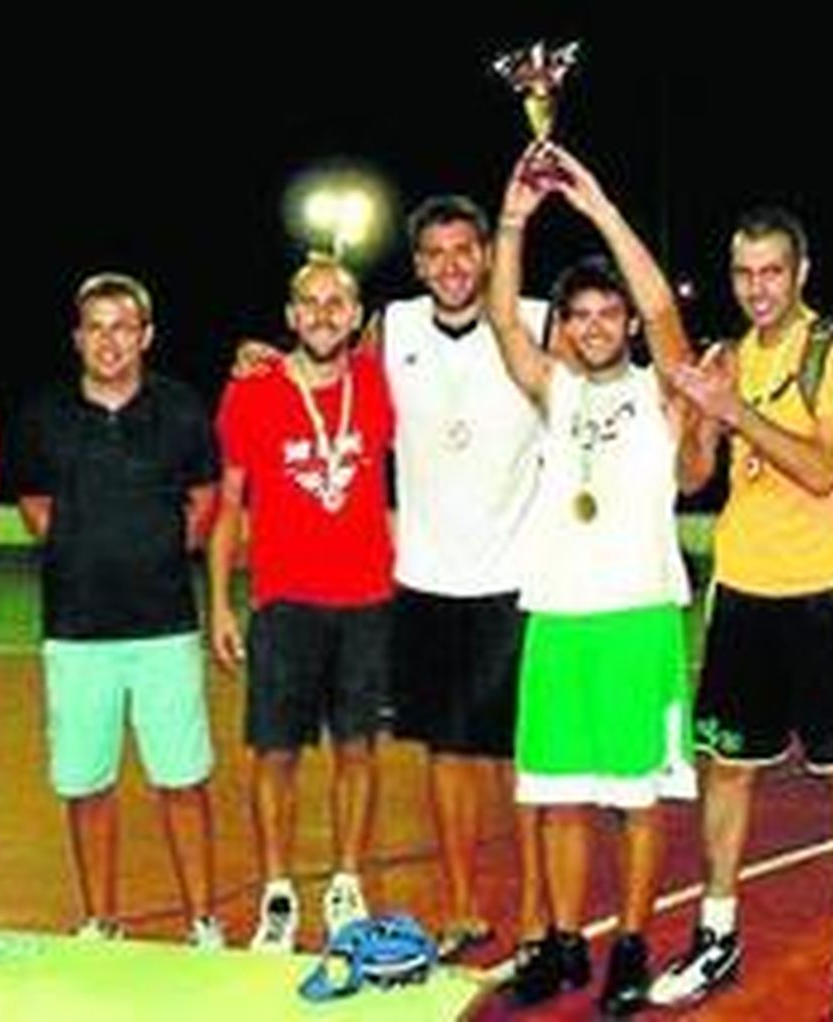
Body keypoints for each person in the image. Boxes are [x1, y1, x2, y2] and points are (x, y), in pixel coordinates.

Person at [652, 208, 833, 1021]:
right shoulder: (723, 356)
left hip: (825, 588)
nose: (757, 289)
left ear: (801, 271)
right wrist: (693, 417)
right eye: (744, 273)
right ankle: (717, 933)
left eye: (772, 272)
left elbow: (825, 469)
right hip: (744, 587)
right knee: (730, 769)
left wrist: (739, 411)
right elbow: (692, 479)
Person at [488, 142, 698, 1016]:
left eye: (610, 313)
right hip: (559, 621)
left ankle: (633, 946)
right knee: (562, 797)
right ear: (566, 326)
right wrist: (513, 219)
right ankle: (567, 941)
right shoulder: (556, 392)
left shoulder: (663, 389)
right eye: (582, 314)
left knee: (637, 803)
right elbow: (504, 320)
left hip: (639, 619)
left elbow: (659, 304)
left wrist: (602, 209)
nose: (600, 325)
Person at [16, 272, 222, 947]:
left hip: (164, 628)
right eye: (96, 327)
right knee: (85, 784)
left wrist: (148, 552)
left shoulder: (183, 409)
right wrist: (90, 551)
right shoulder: (45, 414)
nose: (109, 341)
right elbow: (37, 510)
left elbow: (203, 504)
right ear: (78, 338)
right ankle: (101, 921)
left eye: (123, 326)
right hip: (76, 634)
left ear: (146, 336)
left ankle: (203, 922)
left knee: (183, 781)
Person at [208, 255, 392, 952]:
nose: (322, 313)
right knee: (274, 755)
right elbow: (229, 504)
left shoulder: (378, 383)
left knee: (356, 750)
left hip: (368, 598)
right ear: (289, 315)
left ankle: (347, 884)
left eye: (337, 301)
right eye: (308, 303)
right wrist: (222, 605)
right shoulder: (250, 392)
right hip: (283, 602)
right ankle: (278, 894)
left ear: (355, 315)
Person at [382, 195, 549, 959]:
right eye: (435, 254)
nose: (451, 266)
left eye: (463, 250)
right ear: (419, 265)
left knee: (524, 758)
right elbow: (322, 371)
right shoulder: (394, 327)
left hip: (518, 581)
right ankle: (460, 908)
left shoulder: (539, 322)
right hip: (424, 580)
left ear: (487, 254)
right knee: (446, 755)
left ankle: (541, 915)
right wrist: (264, 357)